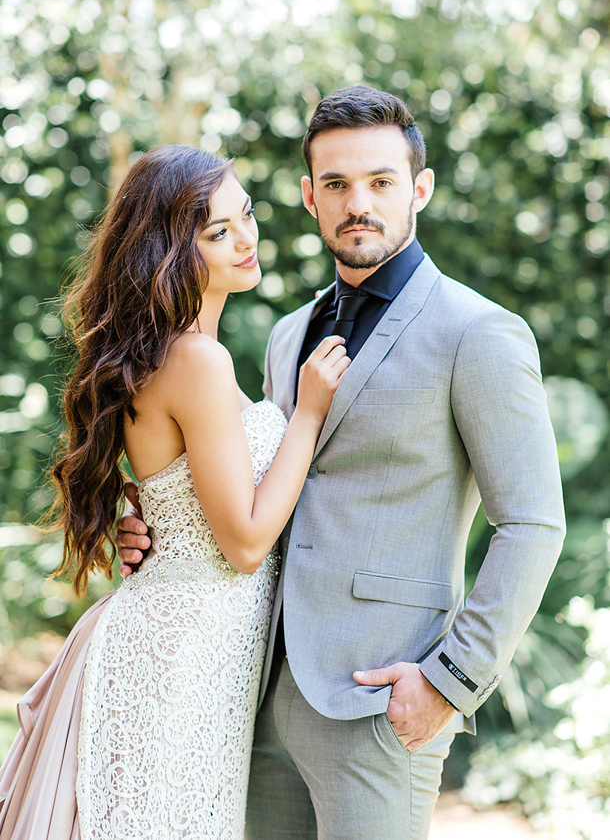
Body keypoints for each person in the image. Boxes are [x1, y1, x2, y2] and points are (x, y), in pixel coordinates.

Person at [116, 86, 566, 840]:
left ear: (419, 189)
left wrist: (448, 684)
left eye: (381, 182)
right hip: (252, 694)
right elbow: (257, 493)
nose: (359, 202)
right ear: (309, 196)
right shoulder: (290, 334)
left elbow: (532, 522)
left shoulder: (479, 333)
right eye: (337, 184)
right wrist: (158, 524)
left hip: (379, 700)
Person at [0, 145, 350, 840]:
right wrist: (308, 413)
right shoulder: (196, 359)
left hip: (195, 651)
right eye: (218, 232)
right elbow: (246, 543)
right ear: (169, 252)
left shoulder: (174, 352)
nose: (246, 239)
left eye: (244, 214)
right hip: (176, 658)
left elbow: (184, 499)